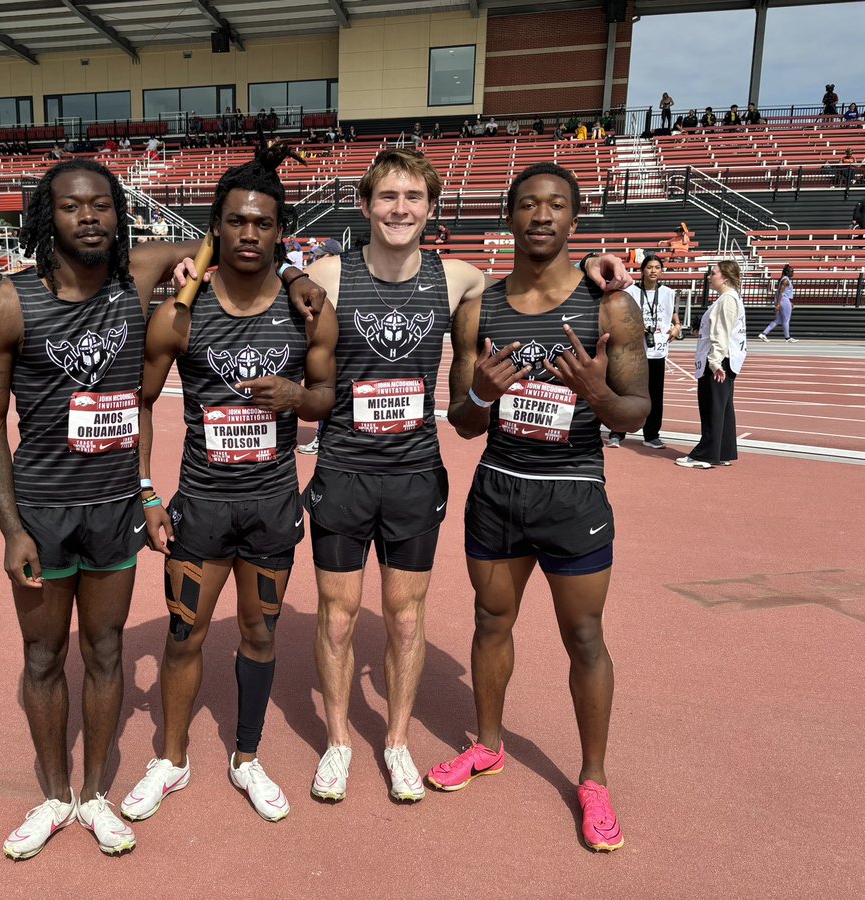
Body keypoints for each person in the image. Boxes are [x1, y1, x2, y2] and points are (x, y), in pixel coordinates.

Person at [221, 149, 629, 805]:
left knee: (406, 622)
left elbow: (530, 277)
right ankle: (339, 744)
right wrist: (285, 272)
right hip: (344, 470)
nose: (400, 209)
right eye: (387, 197)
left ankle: (397, 743)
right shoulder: (329, 272)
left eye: (413, 198)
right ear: (365, 205)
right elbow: (264, 266)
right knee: (338, 617)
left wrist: (586, 265)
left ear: (431, 209)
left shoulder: (456, 279)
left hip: (414, 474)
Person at [0, 157, 323, 861]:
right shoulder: (5, 304)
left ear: (119, 215)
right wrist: (10, 528)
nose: (91, 217)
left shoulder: (136, 282)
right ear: (47, 215)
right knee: (42, 655)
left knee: (104, 652)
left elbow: (229, 240)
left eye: (103, 205)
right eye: (72, 207)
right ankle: (53, 796)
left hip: (113, 508)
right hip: (42, 507)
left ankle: (95, 796)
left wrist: (294, 273)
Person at [434, 161, 649, 853]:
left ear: (574, 220)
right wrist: (482, 396)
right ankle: (489, 745)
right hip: (498, 488)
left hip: (574, 492)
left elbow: (637, 414)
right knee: (490, 621)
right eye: (528, 204)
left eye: (556, 204)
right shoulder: (479, 310)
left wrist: (597, 394)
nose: (541, 215)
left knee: (584, 637)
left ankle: (593, 779)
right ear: (510, 217)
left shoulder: (609, 307)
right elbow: (462, 422)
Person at [122, 145, 338, 826]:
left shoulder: (309, 312)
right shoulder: (180, 317)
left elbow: (331, 397)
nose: (251, 234)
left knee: (259, 635)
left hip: (273, 505)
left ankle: (247, 758)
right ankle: (172, 759)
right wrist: (148, 492)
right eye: (237, 222)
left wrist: (297, 396)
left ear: (282, 232)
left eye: (265, 224)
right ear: (217, 228)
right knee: (184, 636)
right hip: (202, 506)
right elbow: (141, 401)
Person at [677, 260, 747, 469]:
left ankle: (705, 454)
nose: (710, 276)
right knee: (723, 408)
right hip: (727, 359)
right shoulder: (732, 298)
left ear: (725, 277)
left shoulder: (727, 300)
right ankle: (722, 450)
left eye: (713, 273)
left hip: (718, 360)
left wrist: (715, 362)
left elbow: (721, 333)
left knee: (711, 407)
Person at [607, 254, 680, 448]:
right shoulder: (631, 291)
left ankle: (651, 434)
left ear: (662, 271)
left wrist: (677, 326)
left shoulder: (667, 293)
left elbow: (673, 316)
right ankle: (617, 432)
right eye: (649, 267)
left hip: (657, 350)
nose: (653, 270)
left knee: (656, 394)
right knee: (625, 391)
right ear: (642, 270)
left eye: (657, 267)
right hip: (633, 350)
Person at [759, 263, 797, 343]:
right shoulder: (786, 280)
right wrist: (779, 304)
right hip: (783, 300)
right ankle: (787, 337)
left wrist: (782, 302)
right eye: (792, 271)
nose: (793, 272)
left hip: (782, 300)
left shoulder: (783, 279)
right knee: (786, 320)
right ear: (787, 272)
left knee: (779, 320)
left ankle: (763, 333)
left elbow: (783, 293)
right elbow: (781, 292)